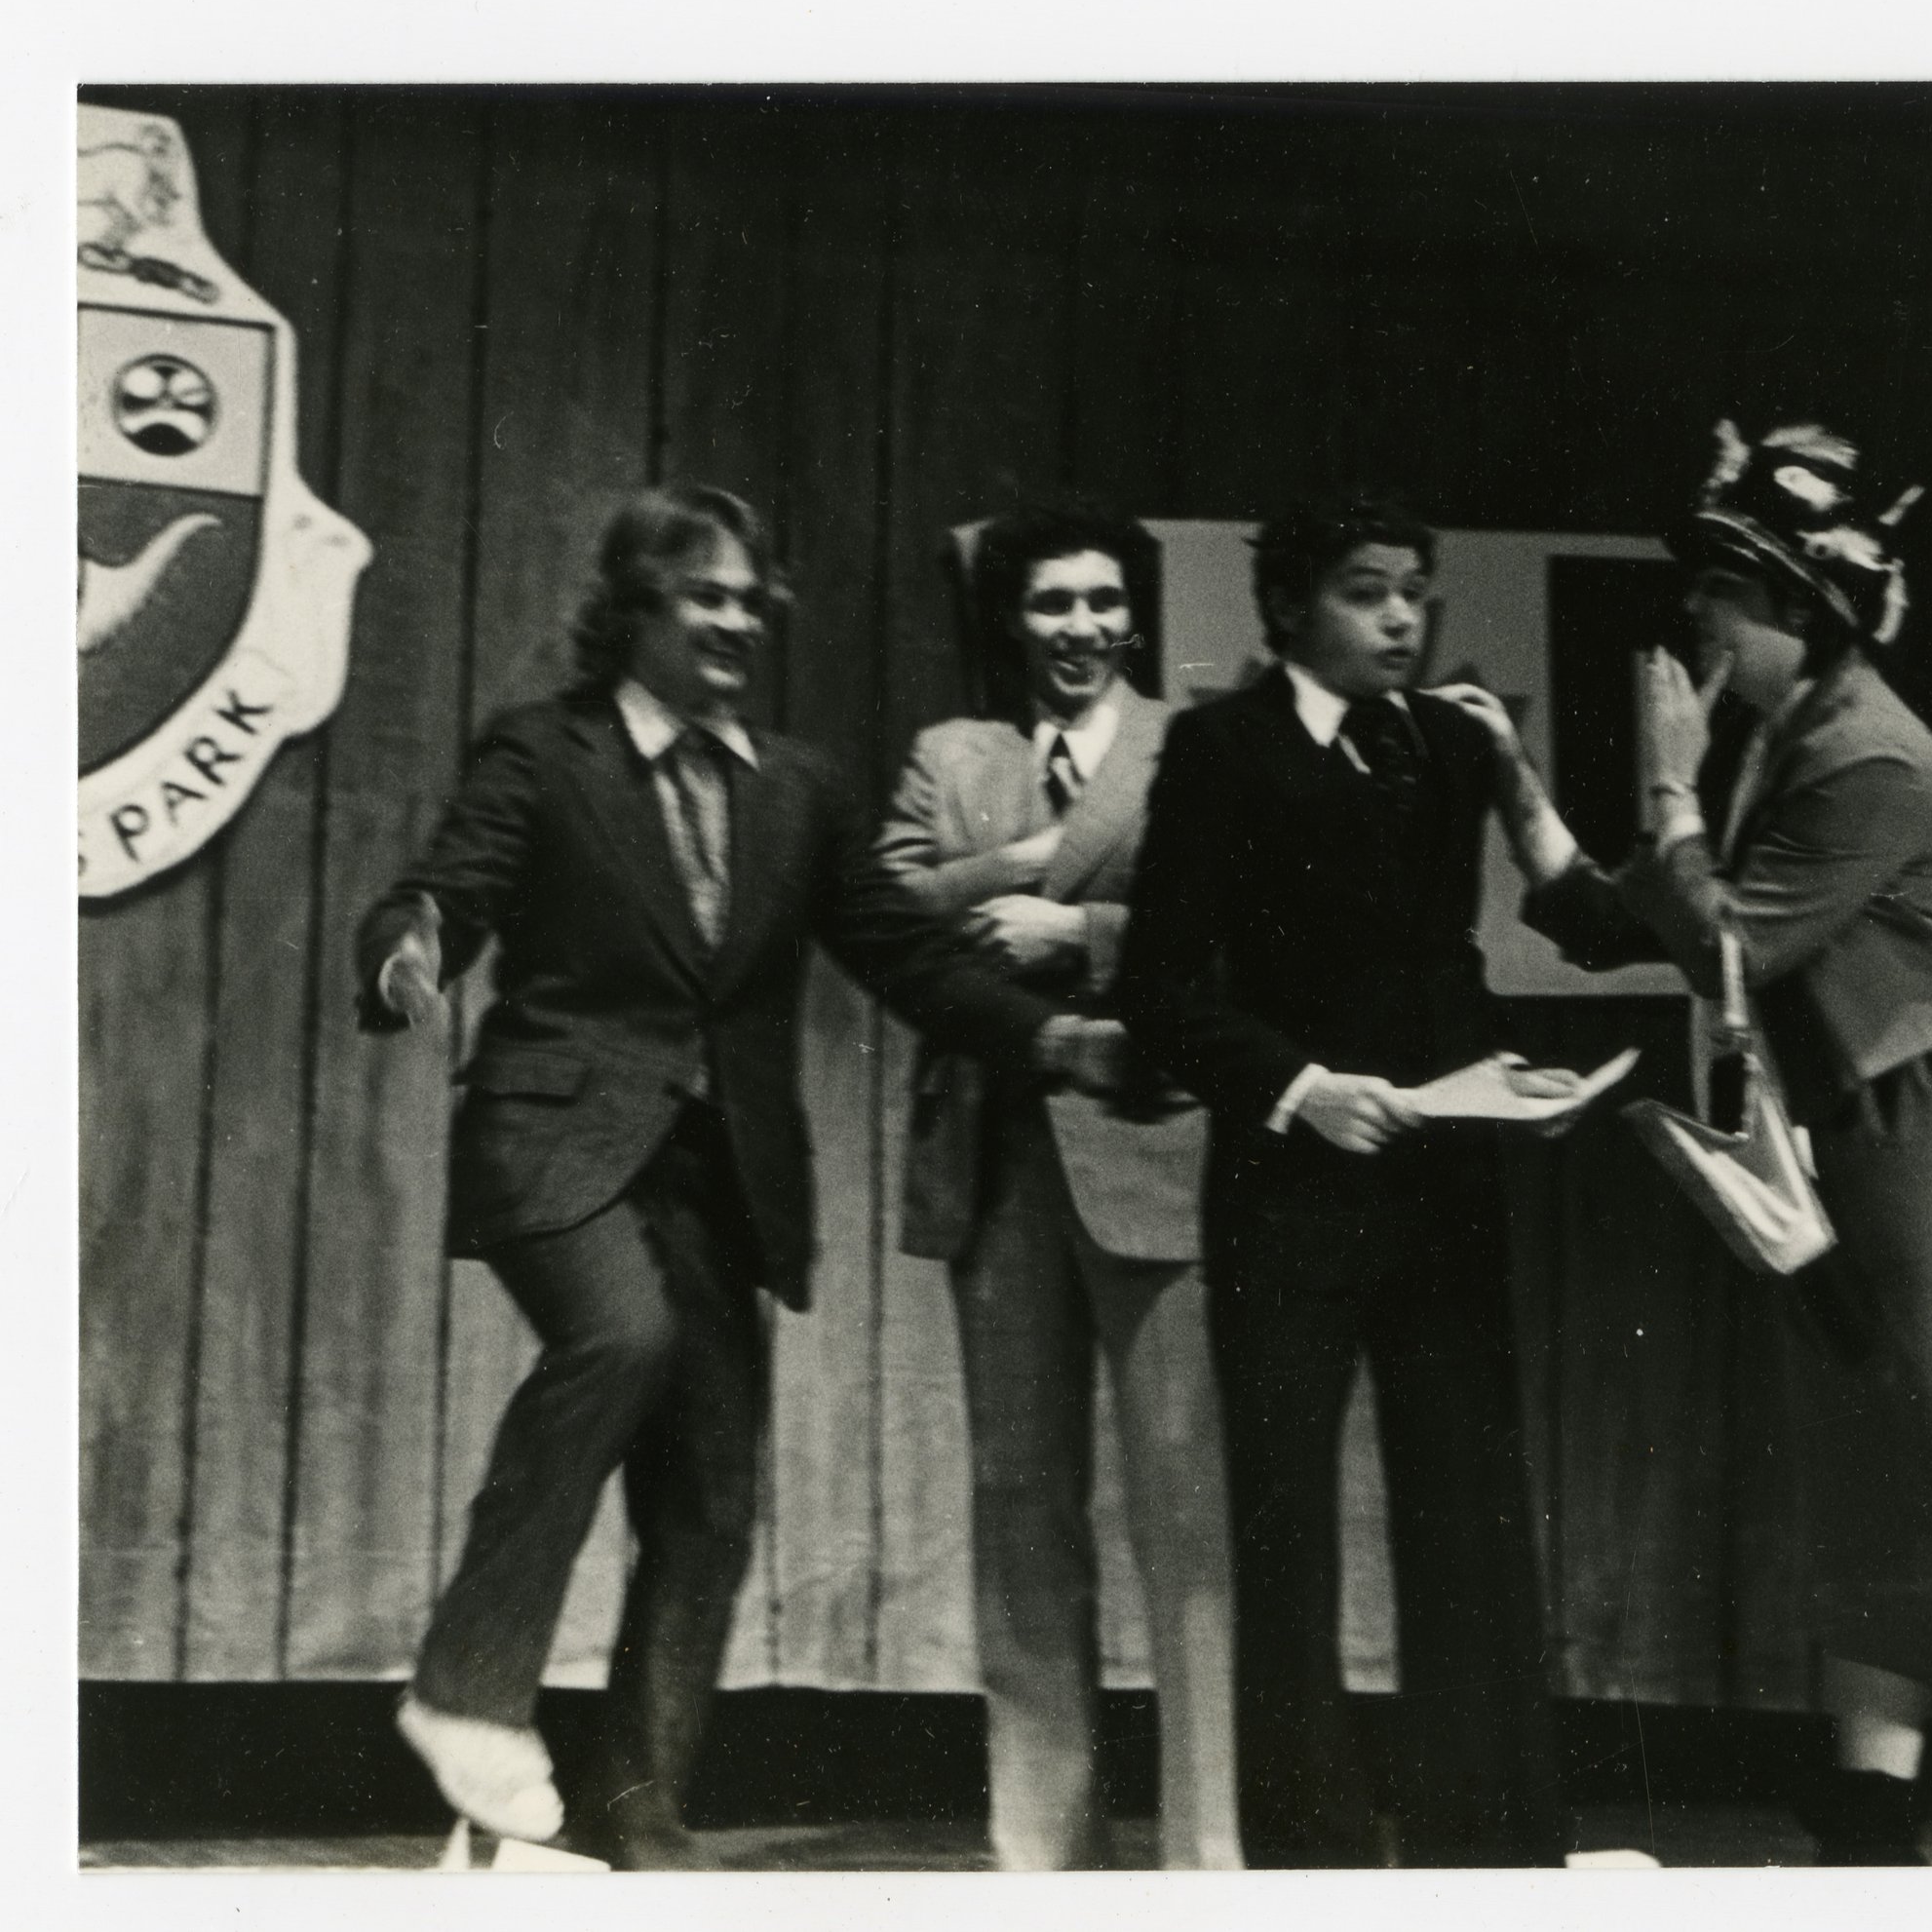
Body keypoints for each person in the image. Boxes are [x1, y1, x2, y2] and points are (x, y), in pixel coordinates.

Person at [1437, 420, 1932, 1865]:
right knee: (1884, 1464)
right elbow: (1618, 922)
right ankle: (1871, 1812)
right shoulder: (1786, 740)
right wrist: (1512, 775)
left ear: (1802, 606)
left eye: (1726, 590)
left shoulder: (1867, 752)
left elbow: (1727, 954)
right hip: (1867, 1130)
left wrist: (1672, 791)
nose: (1695, 609)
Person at [357, 485, 1044, 1870]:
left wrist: (1055, 1039)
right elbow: (450, 884)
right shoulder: (545, 750)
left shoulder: (799, 788)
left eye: (749, 599)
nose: (736, 620)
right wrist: (410, 945)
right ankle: (465, 1691)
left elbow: (904, 956)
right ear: (635, 612)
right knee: (621, 1337)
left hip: (723, 1177)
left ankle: (638, 1813)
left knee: (709, 1496)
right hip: (560, 1137)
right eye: (703, 596)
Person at [1114, 497, 1568, 1869]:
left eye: (1415, 591)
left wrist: (1499, 1075)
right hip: (1290, 1194)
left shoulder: (1450, 744)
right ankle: (1309, 1865)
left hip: (1443, 1185)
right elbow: (1159, 988)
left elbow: (1448, 964)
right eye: (1368, 592)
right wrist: (1303, 1089)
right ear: (1289, 607)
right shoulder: (1222, 748)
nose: (1401, 618)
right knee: (1285, 1532)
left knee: (1471, 1518)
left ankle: (1487, 1858)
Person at [872, 502, 1242, 1872]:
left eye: (1102, 601)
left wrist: (1075, 928)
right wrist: (1019, 862)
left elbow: (1243, 927)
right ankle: (1045, 1856)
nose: (1079, 627)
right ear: (1010, 621)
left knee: (1187, 1515)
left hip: (1151, 1142)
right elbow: (885, 910)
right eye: (1049, 604)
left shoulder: (1194, 748)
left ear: (1135, 615)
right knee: (1022, 1512)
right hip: (996, 1161)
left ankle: (1208, 1854)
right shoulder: (953, 756)